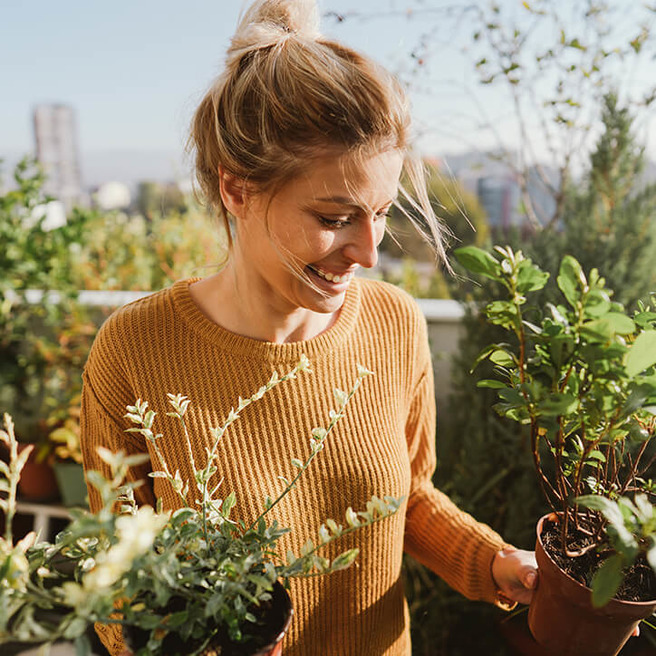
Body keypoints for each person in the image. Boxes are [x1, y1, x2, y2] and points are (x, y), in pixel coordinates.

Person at [80, 1, 537, 654]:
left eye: (379, 212)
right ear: (235, 191)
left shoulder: (395, 324)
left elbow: (406, 500)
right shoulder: (134, 350)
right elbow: (110, 578)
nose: (369, 253)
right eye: (333, 216)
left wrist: (497, 563)